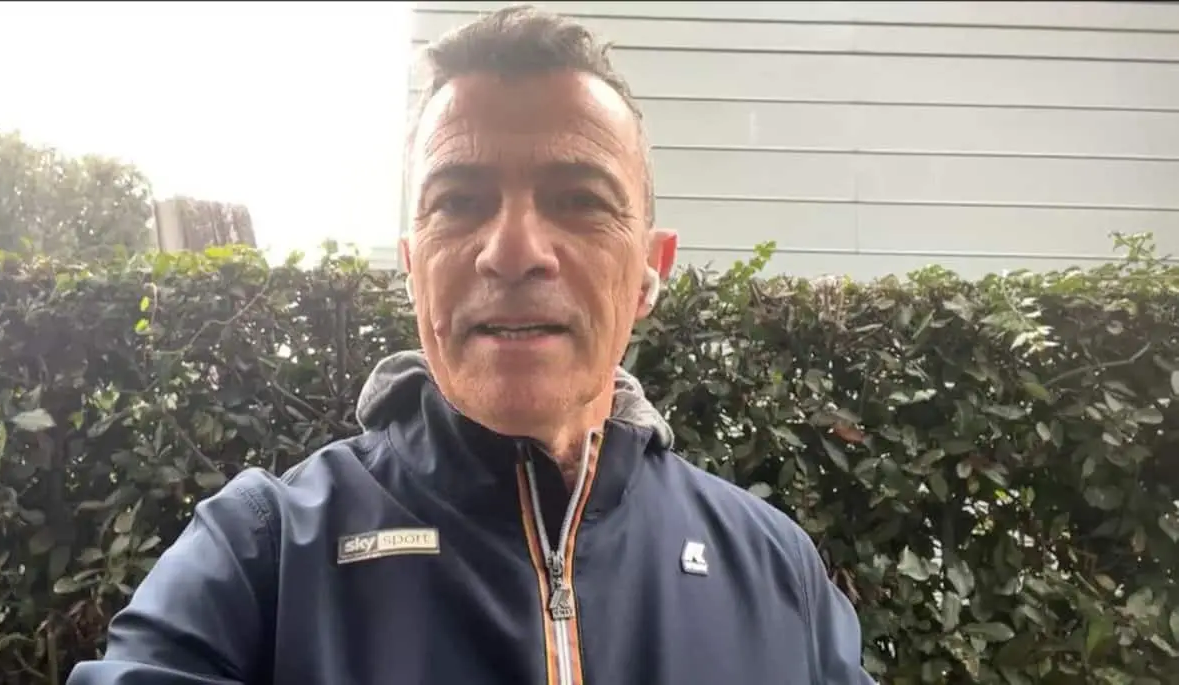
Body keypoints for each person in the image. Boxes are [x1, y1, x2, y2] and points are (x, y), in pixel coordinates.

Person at [68, 5, 875, 684]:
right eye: (459, 201)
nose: (513, 249)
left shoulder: (777, 573)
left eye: (578, 199)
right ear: (413, 267)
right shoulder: (264, 556)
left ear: (648, 272)